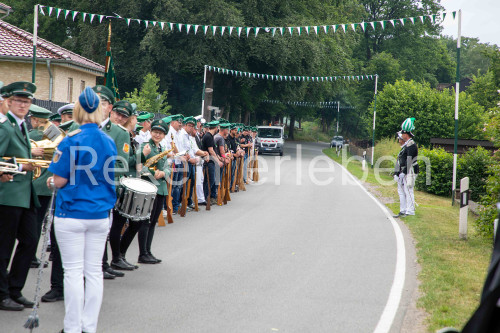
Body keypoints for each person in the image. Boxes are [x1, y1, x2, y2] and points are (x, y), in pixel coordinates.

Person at [47, 86, 117, 333]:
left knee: (73, 272)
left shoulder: (70, 140)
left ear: (77, 111)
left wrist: (50, 180)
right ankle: (89, 327)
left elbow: (59, 180)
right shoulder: (109, 141)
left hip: (71, 213)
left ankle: (72, 328)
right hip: (100, 214)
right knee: (94, 272)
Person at [0, 81, 40, 311]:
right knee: (4, 248)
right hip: (8, 194)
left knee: (30, 241)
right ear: (9, 101)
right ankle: (2, 294)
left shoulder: (21, 124)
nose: (23, 105)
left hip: (24, 195)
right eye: (19, 101)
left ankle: (15, 289)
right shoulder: (5, 126)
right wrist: (21, 165)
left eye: (26, 102)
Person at [137, 118, 172, 263]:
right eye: (155, 132)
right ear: (151, 132)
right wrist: (153, 174)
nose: (157, 135)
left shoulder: (161, 149)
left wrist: (164, 173)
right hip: (149, 187)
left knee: (153, 222)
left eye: (160, 133)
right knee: (146, 221)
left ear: (164, 135)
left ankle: (148, 251)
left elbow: (168, 167)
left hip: (161, 189)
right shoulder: (145, 147)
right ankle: (142, 253)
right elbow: (138, 165)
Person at [393, 118, 419, 218]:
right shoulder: (406, 145)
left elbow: (409, 160)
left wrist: (404, 172)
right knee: (401, 191)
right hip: (404, 171)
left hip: (410, 170)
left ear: (405, 134)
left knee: (408, 190)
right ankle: (403, 210)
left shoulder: (411, 145)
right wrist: (397, 173)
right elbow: (400, 160)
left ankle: (410, 210)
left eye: (402, 133)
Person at [202, 121, 222, 206]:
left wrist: (218, 157)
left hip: (211, 161)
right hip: (209, 161)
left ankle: (207, 197)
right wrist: (218, 161)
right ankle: (206, 197)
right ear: (216, 127)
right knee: (210, 180)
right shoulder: (208, 136)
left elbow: (214, 149)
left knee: (209, 180)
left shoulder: (210, 136)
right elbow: (211, 150)